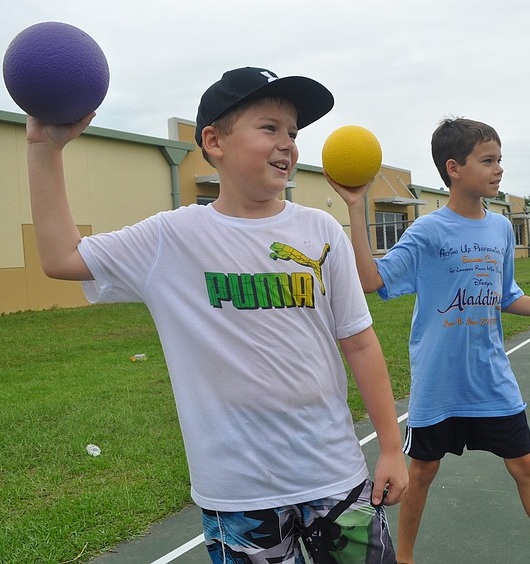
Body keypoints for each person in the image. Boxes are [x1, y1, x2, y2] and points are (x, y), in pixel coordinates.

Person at [26, 66, 408, 564]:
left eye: (293, 133)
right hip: (238, 496)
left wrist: (391, 448)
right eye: (269, 128)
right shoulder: (172, 237)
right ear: (214, 141)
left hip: (335, 476)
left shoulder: (321, 231)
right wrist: (45, 148)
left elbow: (358, 341)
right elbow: (61, 259)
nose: (288, 144)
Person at [328, 117, 530, 564]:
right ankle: (403, 559)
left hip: (490, 378)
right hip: (438, 382)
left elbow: (507, 297)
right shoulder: (428, 231)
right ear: (454, 167)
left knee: (527, 467)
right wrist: (357, 207)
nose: (499, 170)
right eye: (488, 160)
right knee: (422, 472)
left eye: (500, 160)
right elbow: (370, 278)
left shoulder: (500, 230)